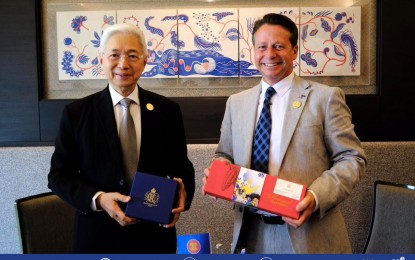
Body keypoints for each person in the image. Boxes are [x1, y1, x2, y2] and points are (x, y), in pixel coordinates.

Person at [203, 13, 366, 254]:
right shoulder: (236, 103)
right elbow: (224, 154)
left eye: (279, 46)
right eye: (262, 47)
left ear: (294, 50)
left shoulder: (325, 97)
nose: (269, 54)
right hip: (250, 233)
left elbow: (352, 158)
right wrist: (217, 172)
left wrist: (315, 196)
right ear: (254, 51)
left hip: (309, 235)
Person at [48, 23, 195, 253]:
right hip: (97, 237)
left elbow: (182, 167)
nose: (123, 64)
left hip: (154, 236)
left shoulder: (167, 110)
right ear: (101, 60)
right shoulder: (76, 114)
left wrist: (183, 193)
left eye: (132, 55)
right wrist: (99, 199)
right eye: (114, 55)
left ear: (145, 61)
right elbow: (59, 176)